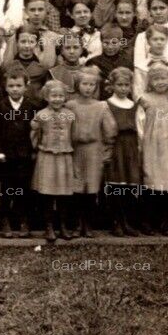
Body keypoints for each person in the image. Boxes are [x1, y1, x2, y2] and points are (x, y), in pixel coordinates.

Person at [136, 63, 168, 235]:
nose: (160, 82)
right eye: (156, 79)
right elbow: (140, 125)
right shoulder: (144, 99)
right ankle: (147, 221)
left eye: (163, 78)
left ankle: (166, 222)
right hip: (151, 146)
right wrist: (141, 146)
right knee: (151, 181)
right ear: (150, 81)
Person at [0, 67, 40, 238]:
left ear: (26, 87)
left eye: (18, 85)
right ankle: (4, 219)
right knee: (6, 189)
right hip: (6, 157)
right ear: (5, 87)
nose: (15, 89)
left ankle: (23, 220)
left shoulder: (32, 107)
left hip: (25, 156)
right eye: (11, 86)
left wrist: (34, 151)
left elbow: (37, 132)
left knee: (24, 189)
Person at [68, 68, 116, 240]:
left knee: (91, 189)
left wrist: (106, 151)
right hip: (75, 151)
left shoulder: (101, 106)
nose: (88, 88)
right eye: (84, 84)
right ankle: (76, 224)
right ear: (77, 85)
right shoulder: (71, 105)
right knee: (76, 189)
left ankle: (88, 224)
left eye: (92, 84)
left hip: (94, 151)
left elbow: (110, 131)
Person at [30, 80, 77, 243]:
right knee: (48, 194)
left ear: (65, 98)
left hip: (64, 157)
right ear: (46, 97)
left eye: (60, 96)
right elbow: (34, 138)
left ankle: (63, 225)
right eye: (53, 96)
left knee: (64, 194)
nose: (57, 99)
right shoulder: (41, 115)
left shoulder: (70, 115)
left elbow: (74, 135)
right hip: (47, 157)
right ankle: (48, 226)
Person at [102, 66, 142, 235]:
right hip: (116, 147)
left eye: (126, 85)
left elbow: (140, 129)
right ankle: (116, 222)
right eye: (119, 85)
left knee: (130, 187)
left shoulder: (134, 105)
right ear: (112, 85)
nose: (123, 88)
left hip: (131, 147)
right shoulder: (106, 105)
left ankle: (128, 222)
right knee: (115, 186)